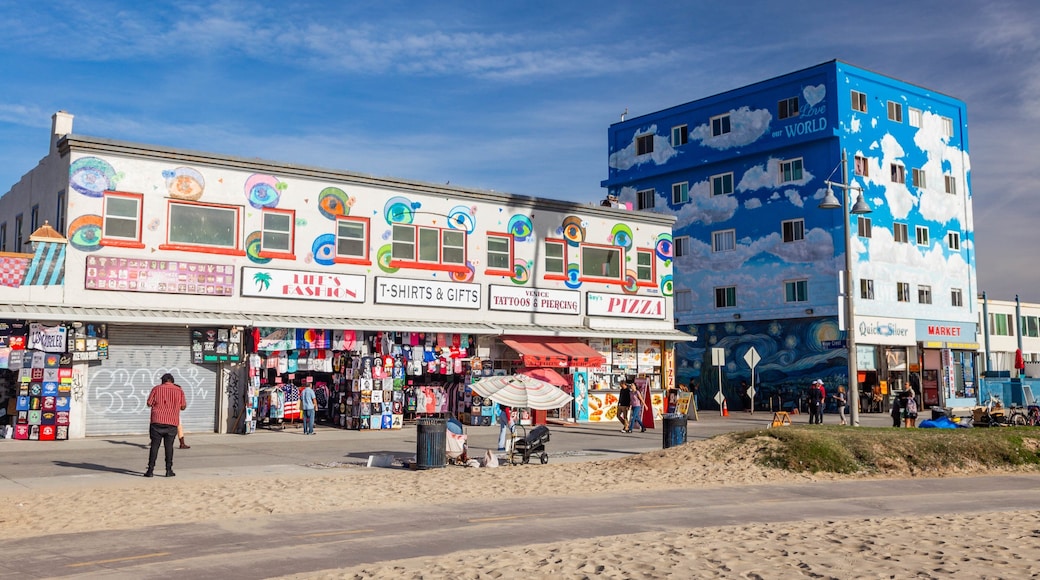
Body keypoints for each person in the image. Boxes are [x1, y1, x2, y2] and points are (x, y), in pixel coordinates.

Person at [145, 373, 187, 478]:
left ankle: (150, 470)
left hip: (156, 422)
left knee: (154, 446)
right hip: (172, 423)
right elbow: (183, 407)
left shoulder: (156, 389)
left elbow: (149, 403)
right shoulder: (179, 390)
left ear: (163, 381)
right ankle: (169, 470)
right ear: (172, 381)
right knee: (169, 447)